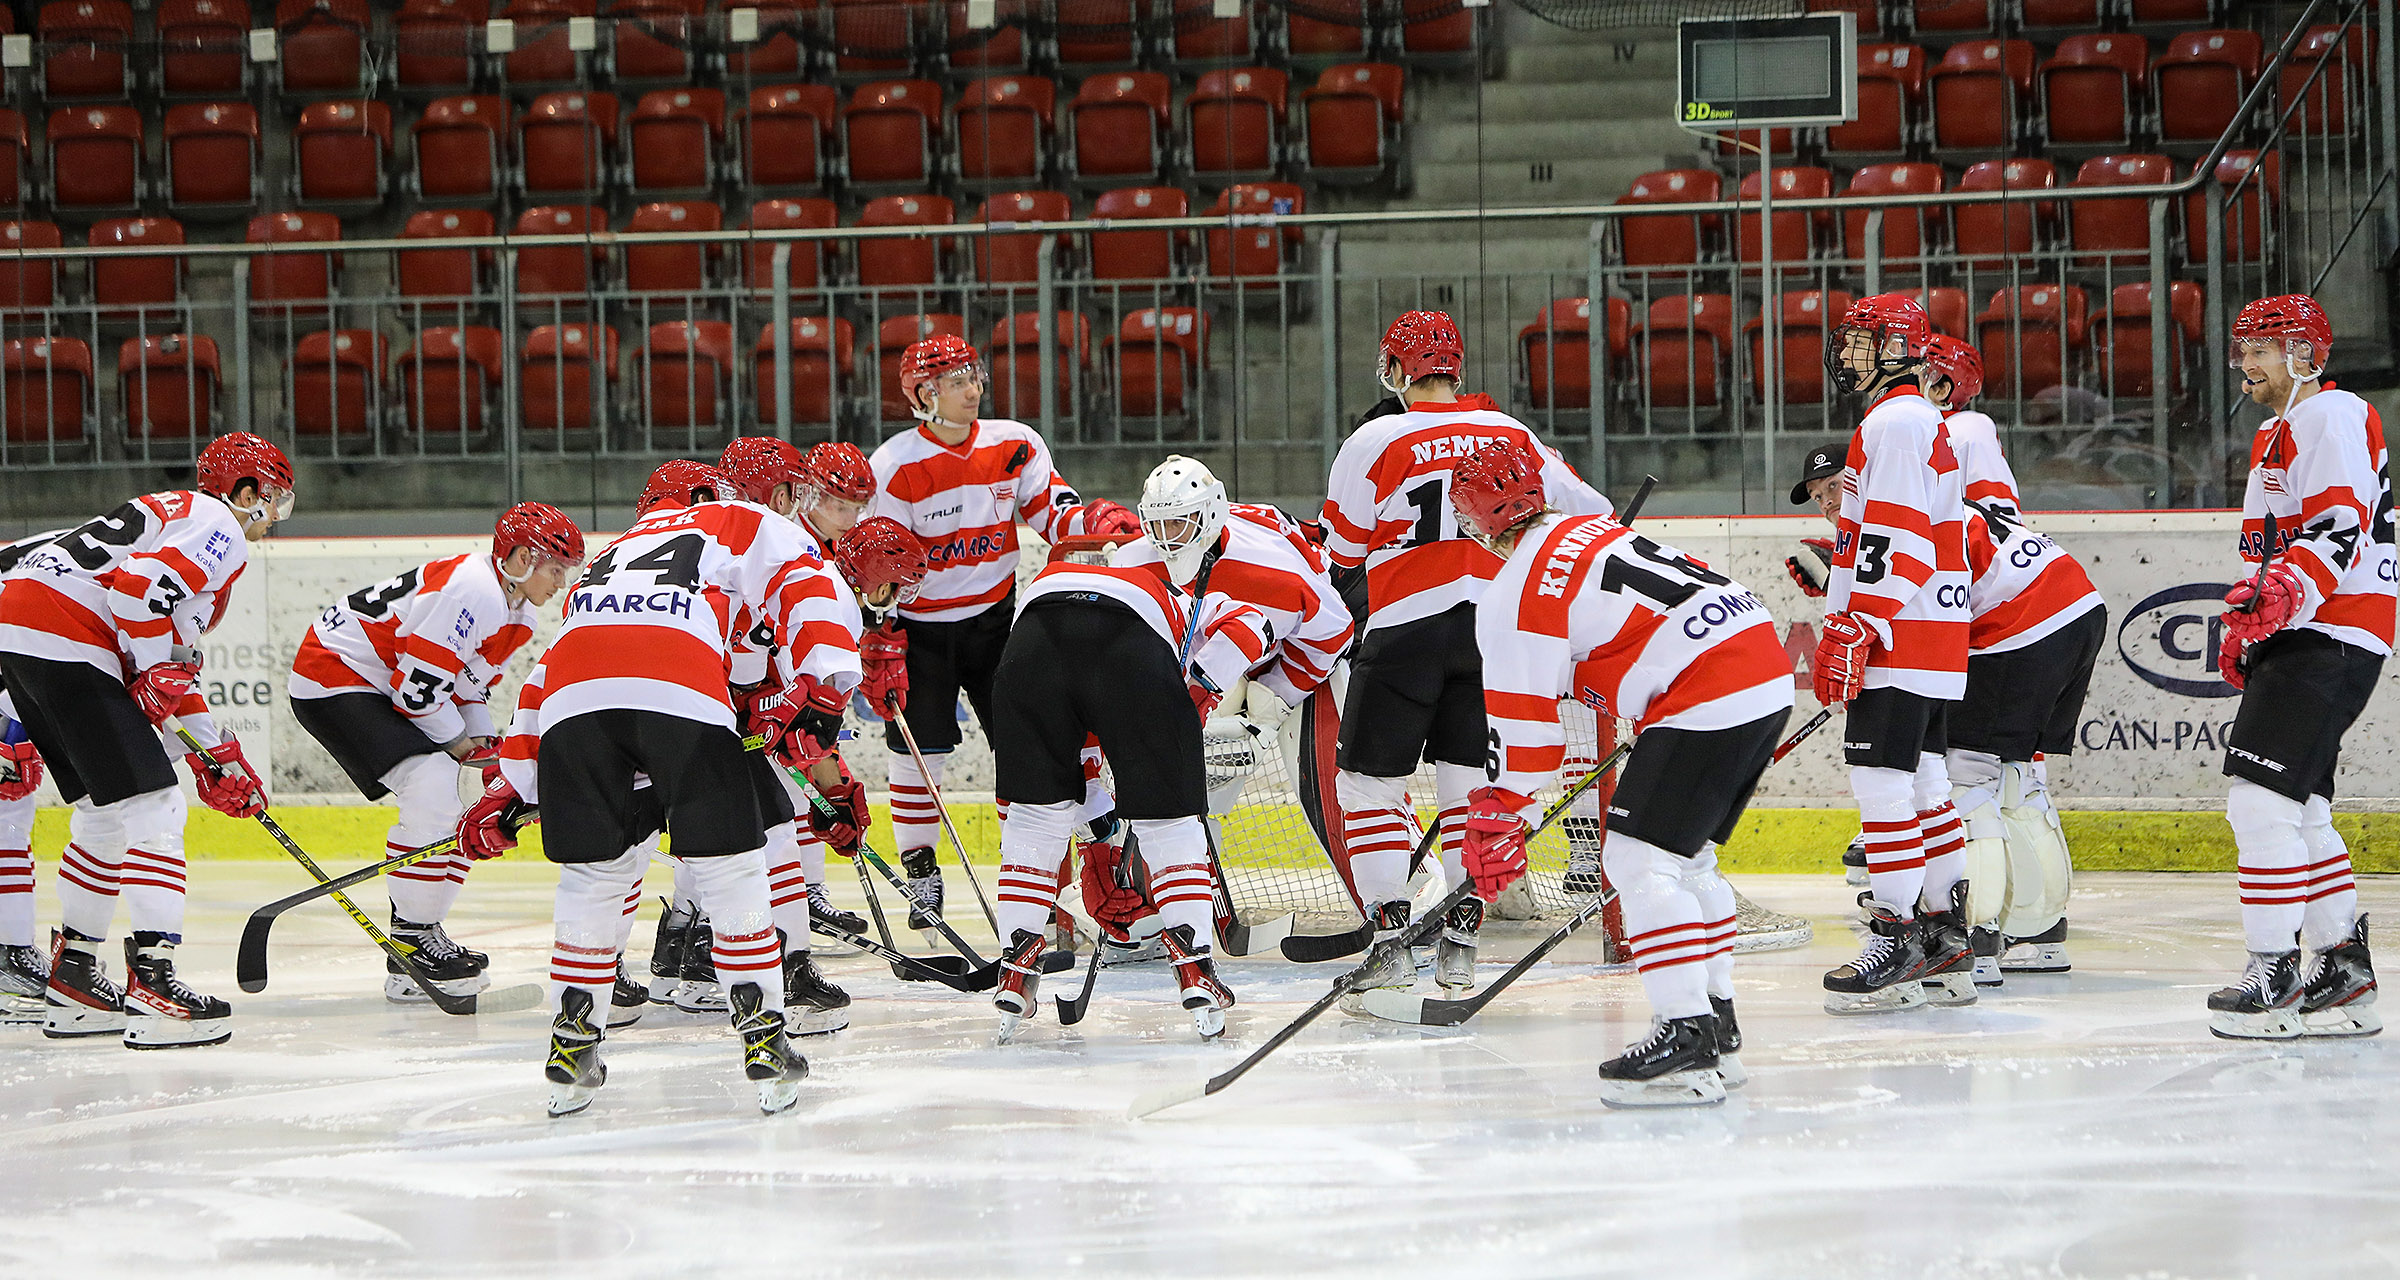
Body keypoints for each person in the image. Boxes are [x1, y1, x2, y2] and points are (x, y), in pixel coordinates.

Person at [462, 462, 826, 1116]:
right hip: (683, 698)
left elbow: (545, 680)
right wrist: (786, 705)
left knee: (593, 881)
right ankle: (764, 1036)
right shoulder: (725, 544)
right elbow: (746, 671)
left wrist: (508, 788)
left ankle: (573, 1042)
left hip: (578, 713)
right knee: (734, 872)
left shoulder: (606, 562)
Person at [1452, 440, 1792, 1106]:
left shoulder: (1512, 594)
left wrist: (1499, 820)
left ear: (1477, 523)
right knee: (1688, 863)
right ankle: (1716, 1031)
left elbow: (1525, 746)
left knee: (1635, 861)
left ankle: (1686, 1036)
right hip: (1765, 666)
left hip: (1706, 690)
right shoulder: (1593, 529)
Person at [1793, 336, 2107, 985]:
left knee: (1967, 778)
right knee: (2009, 778)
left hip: (2024, 620)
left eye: (1835, 489)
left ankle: (1971, 936)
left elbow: (1929, 566)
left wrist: (1858, 622)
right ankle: (2021, 928)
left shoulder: (1921, 436)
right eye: (1821, 496)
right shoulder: (1931, 457)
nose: (1829, 503)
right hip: (2059, 605)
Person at [1319, 310, 1612, 993]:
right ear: (1456, 370)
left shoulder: (1373, 439)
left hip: (1404, 633)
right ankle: (1461, 940)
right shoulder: (1511, 432)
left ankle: (1391, 941)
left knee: (1367, 788)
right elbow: (1591, 515)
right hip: (1497, 636)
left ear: (1395, 371)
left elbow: (1341, 552)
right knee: (1469, 792)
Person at [0, 432, 294, 1047]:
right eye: (275, 500)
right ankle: (154, 985)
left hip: (26, 633)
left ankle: (75, 983)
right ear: (247, 492)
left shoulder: (175, 518)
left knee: (104, 812)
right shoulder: (219, 524)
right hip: (66, 631)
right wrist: (182, 710)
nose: (274, 518)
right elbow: (138, 596)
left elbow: (166, 676)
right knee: (157, 807)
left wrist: (213, 755)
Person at [867, 334, 1140, 933]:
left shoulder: (1015, 444)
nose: (974, 389)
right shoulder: (893, 466)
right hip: (920, 634)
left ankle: (1049, 890)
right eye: (957, 380)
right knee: (920, 757)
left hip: (998, 624)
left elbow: (1054, 514)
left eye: (974, 375)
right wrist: (880, 631)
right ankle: (922, 875)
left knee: (1032, 754)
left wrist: (1091, 523)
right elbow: (878, 566)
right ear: (921, 393)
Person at [288, 502, 584, 1002]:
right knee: (430, 784)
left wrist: (486, 750)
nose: (560, 581)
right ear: (521, 559)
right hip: (333, 675)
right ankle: (411, 936)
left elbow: (466, 687)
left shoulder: (518, 612)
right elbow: (417, 693)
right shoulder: (472, 590)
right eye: (555, 567)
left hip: (381, 681)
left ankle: (420, 937)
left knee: (471, 795)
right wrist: (463, 747)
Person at [984, 554, 1272, 1041]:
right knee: (1171, 821)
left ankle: (1017, 964)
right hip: (1129, 650)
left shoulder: (1060, 583)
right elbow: (1255, 622)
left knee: (1034, 819)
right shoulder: (1178, 598)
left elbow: (1042, 799)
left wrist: (1096, 847)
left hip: (1030, 647)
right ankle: (1194, 965)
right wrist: (1202, 685)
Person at [2206, 294, 2388, 1040]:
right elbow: (2285, 545)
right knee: (2301, 807)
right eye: (2243, 348)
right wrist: (2259, 616)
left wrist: (2284, 593)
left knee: (2258, 802)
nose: (2247, 362)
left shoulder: (2329, 415)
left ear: (2306, 354)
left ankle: (2274, 967)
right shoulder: (2277, 430)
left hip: (2330, 628)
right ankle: (2342, 968)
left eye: (2264, 348)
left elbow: (2341, 524)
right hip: (2313, 627)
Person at [1095, 455, 1355, 962]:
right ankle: (1162, 919)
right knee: (1181, 794)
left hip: (1296, 653)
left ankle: (1396, 898)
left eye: (1181, 522)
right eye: (1159, 524)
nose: (1169, 537)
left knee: (1332, 785)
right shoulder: (1132, 566)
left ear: (1210, 515)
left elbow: (1334, 633)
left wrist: (1273, 700)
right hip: (1212, 662)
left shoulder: (1272, 569)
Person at [1807, 294, 1974, 1014]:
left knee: (1881, 783)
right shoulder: (1908, 420)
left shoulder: (1896, 420)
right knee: (1926, 782)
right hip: (1925, 628)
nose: (1846, 356)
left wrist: (1859, 623)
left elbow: (1901, 534)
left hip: (1900, 630)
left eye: (1859, 343)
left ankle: (1898, 934)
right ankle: (1946, 935)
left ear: (1898, 347)